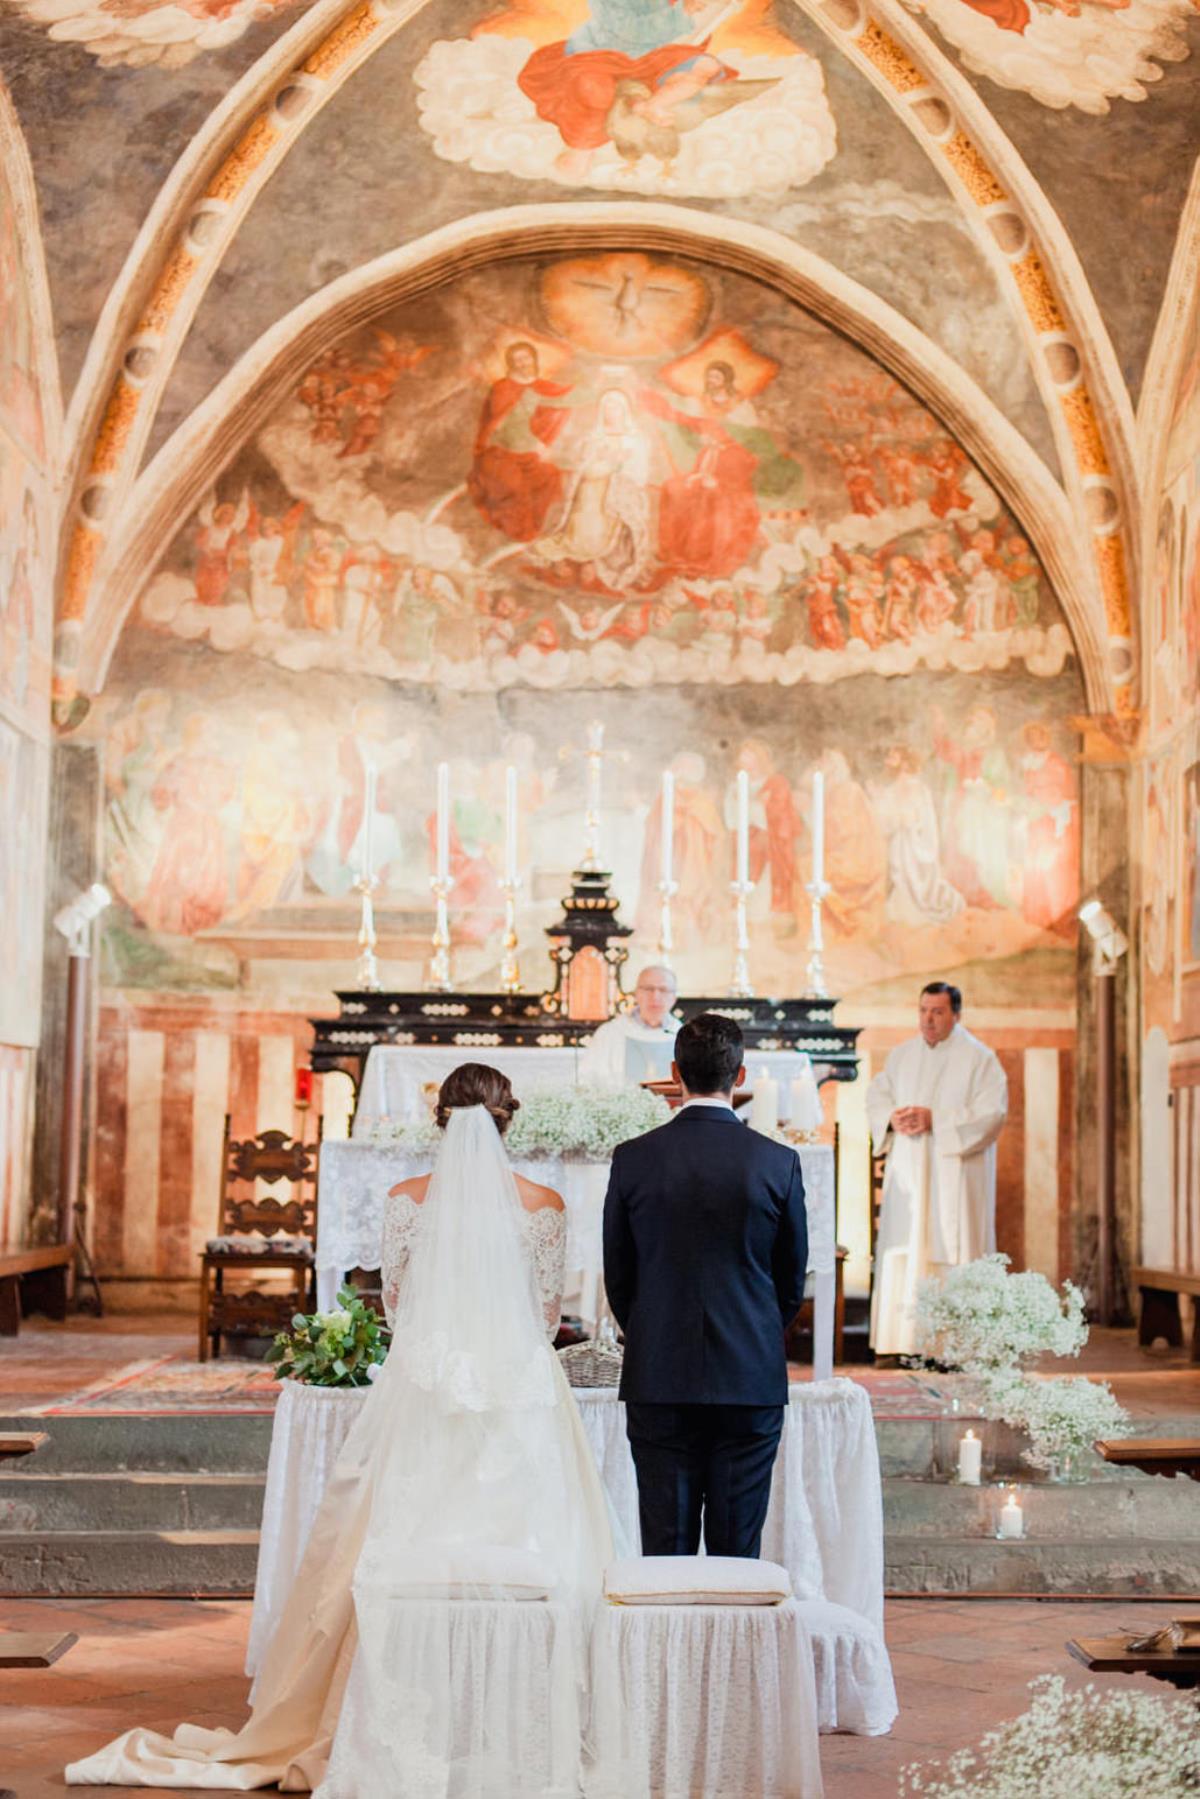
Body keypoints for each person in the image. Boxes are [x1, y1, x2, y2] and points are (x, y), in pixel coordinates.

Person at [66, 1063, 613, 1795]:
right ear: (508, 1117)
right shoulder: (545, 1203)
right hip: (521, 1393)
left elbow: (396, 1303)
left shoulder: (405, 1200)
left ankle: (392, 1716)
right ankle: (522, 1713)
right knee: (541, 1548)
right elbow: (548, 1317)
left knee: (399, 1540)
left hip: (422, 1388)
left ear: (440, 1119)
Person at [603, 1013, 808, 1557]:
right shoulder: (778, 1161)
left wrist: (653, 1331)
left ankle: (666, 1645)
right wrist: (756, 1333)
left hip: (659, 1373)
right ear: (740, 1076)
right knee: (737, 1553)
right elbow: (790, 1280)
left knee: (664, 1551)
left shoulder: (633, 1159)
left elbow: (619, 1276)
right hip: (749, 1376)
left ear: (675, 1073)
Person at [867, 983, 1007, 1358]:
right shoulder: (901, 1056)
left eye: (938, 1012)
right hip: (911, 1171)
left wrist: (936, 1120)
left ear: (956, 1015)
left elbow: (992, 1114)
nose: (928, 1019)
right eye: (924, 1011)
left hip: (955, 1177)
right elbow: (877, 1097)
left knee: (953, 1249)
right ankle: (902, 1344)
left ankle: (957, 1349)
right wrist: (892, 1118)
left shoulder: (980, 1059)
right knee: (907, 1248)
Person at [580, 963, 679, 1086]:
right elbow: (587, 1079)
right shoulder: (610, 1032)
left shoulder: (683, 1036)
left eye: (663, 990)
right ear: (636, 994)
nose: (655, 996)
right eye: (648, 988)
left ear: (674, 997)